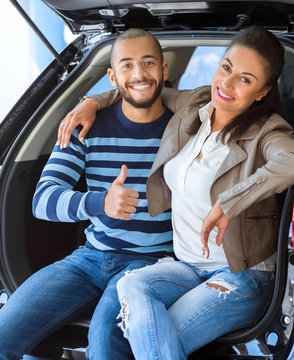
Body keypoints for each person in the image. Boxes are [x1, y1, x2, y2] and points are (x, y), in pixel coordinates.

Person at [60, 25, 294, 359]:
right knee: (131, 284)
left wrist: (230, 202)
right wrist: (91, 101)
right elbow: (145, 89)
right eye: (226, 68)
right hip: (188, 268)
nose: (228, 84)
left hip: (242, 276)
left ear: (262, 91)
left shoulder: (266, 132)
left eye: (245, 79)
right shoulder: (196, 104)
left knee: (147, 342)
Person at [0, 29, 177, 359]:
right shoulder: (85, 127)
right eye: (127, 65)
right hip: (89, 259)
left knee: (105, 344)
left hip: (150, 264)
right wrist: (100, 202)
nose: (139, 74)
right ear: (112, 76)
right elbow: (43, 199)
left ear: (164, 71)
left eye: (148, 63)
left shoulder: (185, 130)